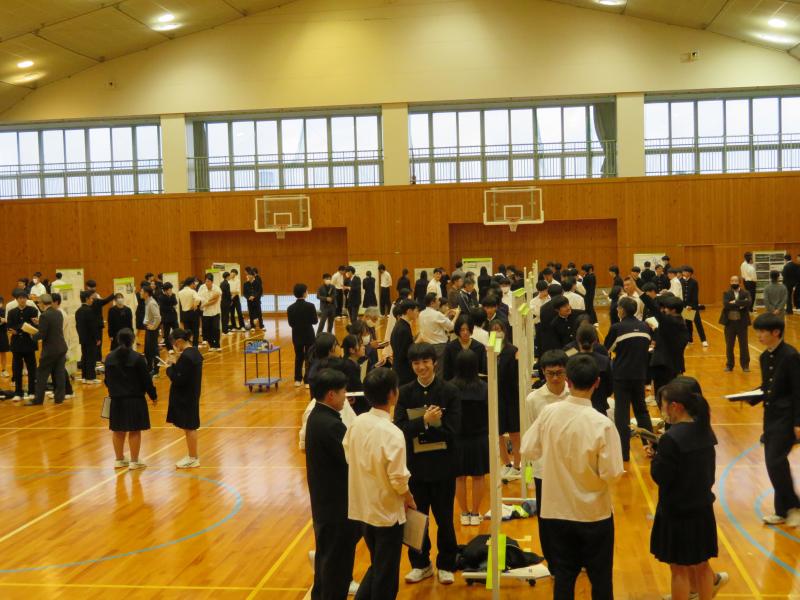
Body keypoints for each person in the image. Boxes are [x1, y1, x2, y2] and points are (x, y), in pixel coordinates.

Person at [521, 354, 624, 600]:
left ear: (567, 380)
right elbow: (612, 473)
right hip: (593, 514)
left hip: (556, 512)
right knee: (601, 579)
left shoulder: (549, 413)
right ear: (597, 382)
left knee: (564, 578)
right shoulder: (602, 423)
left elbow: (527, 449)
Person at [651, 379, 727, 600]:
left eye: (663, 405)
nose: (662, 410)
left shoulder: (671, 438)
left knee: (679, 570)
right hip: (702, 509)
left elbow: (660, 476)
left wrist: (656, 456)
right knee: (702, 566)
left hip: (677, 512)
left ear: (675, 406)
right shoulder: (705, 431)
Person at [343, 367, 414, 600]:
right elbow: (398, 478)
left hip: (363, 508)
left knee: (378, 566)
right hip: (386, 512)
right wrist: (409, 497)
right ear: (393, 394)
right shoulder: (392, 432)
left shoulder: (358, 422)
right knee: (386, 575)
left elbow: (347, 452)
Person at [394, 343, 461, 585]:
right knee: (416, 519)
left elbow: (453, 431)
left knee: (444, 519)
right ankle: (420, 564)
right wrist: (425, 421)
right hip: (416, 468)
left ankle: (446, 564)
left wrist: (425, 428)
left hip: (443, 467)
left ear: (434, 362)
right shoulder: (405, 392)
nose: (421, 367)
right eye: (416, 363)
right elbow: (399, 430)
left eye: (425, 362)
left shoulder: (449, 391)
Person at [305, 368, 361, 600]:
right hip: (337, 508)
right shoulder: (330, 425)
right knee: (337, 568)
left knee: (326, 562)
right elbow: (352, 459)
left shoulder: (316, 416)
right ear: (330, 395)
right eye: (342, 392)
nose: (345, 396)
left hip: (324, 505)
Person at [752, 314, 800, 526]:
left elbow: (798, 391)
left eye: (762, 331)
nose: (759, 335)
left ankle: (794, 506)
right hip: (770, 418)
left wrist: (798, 422)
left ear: (776, 332)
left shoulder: (790, 355)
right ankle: (782, 511)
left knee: (775, 461)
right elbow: (767, 387)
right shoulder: (765, 357)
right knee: (775, 464)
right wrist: (747, 396)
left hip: (787, 419)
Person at [523, 349, 570, 566]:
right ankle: (552, 561)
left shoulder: (574, 396)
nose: (555, 378)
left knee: (570, 513)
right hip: (544, 468)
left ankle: (572, 558)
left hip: (571, 467)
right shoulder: (533, 399)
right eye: (551, 373)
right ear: (543, 372)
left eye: (560, 373)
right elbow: (532, 434)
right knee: (546, 516)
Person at [604, 296, 653, 462]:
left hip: (621, 375)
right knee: (642, 411)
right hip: (640, 374)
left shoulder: (617, 328)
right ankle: (651, 447)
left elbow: (607, 349)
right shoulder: (645, 327)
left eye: (618, 308)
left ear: (622, 310)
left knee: (622, 413)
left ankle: (623, 453)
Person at [105, 328, 157, 470]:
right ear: (133, 340)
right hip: (135, 400)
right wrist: (153, 395)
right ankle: (134, 461)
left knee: (117, 430)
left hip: (115, 399)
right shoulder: (138, 358)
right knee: (134, 430)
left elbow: (107, 381)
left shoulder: (109, 358)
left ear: (117, 340)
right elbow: (146, 380)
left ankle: (119, 459)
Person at [451, 349, 488, 527]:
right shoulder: (484, 387)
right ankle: (475, 512)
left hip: (457, 438)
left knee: (459, 478)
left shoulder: (450, 387)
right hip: (479, 438)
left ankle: (464, 513)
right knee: (478, 477)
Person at [166, 328, 204, 469]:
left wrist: (169, 367)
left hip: (186, 396)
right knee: (189, 426)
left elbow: (178, 379)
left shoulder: (187, 357)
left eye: (175, 344)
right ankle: (192, 456)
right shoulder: (194, 352)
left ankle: (193, 457)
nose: (175, 347)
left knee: (190, 427)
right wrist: (177, 362)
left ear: (180, 341)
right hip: (192, 394)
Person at [489, 319, 521, 480]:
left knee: (515, 432)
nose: (497, 332)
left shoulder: (513, 350)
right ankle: (506, 463)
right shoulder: (489, 351)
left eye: (499, 329)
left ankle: (517, 465)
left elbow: (515, 375)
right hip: (496, 397)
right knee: (498, 433)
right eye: (493, 329)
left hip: (511, 396)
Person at [641, 293, 689, 392]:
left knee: (663, 392)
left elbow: (653, 308)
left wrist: (638, 291)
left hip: (664, 365)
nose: (664, 310)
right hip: (674, 364)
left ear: (673, 310)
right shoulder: (680, 322)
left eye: (666, 308)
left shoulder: (669, 322)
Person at [29, 294, 67, 406]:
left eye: (39, 303)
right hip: (61, 347)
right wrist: (40, 323)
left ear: (42, 303)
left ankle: (38, 400)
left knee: (41, 375)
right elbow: (52, 328)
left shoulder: (44, 315)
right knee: (59, 374)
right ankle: (59, 398)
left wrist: (32, 335)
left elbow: (42, 334)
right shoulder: (58, 313)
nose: (38, 305)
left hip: (50, 350)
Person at [574, 325, 614, 415]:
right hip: (599, 406)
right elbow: (610, 387)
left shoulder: (571, 361)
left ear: (577, 340)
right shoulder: (604, 361)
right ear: (595, 340)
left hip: (577, 408)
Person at [287, 283, 319, 387]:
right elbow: (315, 321)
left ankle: (297, 379)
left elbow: (291, 324)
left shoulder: (290, 308)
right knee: (309, 357)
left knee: (298, 357)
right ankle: (307, 381)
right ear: (304, 293)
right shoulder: (310, 306)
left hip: (296, 335)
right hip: (309, 334)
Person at [719, 276, 751, 373]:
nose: (734, 282)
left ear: (739, 282)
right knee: (729, 345)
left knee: (744, 345)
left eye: (736, 281)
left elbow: (748, 302)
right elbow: (726, 304)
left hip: (742, 323)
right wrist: (740, 305)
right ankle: (729, 365)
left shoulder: (746, 293)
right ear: (730, 282)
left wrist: (735, 302)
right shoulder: (726, 293)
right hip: (730, 323)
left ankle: (745, 365)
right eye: (732, 281)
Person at [416, 293, 457, 368]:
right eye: (438, 300)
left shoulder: (421, 313)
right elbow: (451, 327)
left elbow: (434, 324)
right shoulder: (437, 314)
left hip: (427, 346)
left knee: (431, 369)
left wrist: (445, 316)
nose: (439, 302)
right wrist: (457, 314)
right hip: (439, 346)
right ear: (432, 303)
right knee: (440, 369)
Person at [442, 314, 487, 381]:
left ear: (471, 330)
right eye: (462, 330)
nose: (465, 332)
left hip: (475, 383)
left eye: (468, 329)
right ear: (458, 330)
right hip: (455, 385)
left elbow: (483, 371)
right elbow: (447, 372)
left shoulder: (479, 347)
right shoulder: (450, 347)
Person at [390, 299, 418, 386]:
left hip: (400, 368)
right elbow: (405, 353)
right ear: (409, 311)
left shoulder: (401, 325)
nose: (417, 313)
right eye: (416, 310)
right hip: (404, 372)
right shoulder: (403, 329)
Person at [75, 290, 101, 385]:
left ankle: (84, 377)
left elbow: (77, 326)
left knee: (85, 357)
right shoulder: (89, 311)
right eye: (91, 298)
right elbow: (93, 327)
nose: (92, 300)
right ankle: (90, 378)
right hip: (91, 338)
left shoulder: (78, 311)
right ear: (87, 299)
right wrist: (97, 338)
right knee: (91, 358)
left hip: (83, 338)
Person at [681, 267, 707, 347]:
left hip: (693, 305)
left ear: (690, 273)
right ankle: (690, 340)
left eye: (686, 271)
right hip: (685, 306)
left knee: (698, 323)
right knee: (688, 323)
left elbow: (695, 295)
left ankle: (703, 340)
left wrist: (691, 306)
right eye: (683, 271)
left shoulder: (694, 282)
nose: (684, 273)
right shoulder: (681, 281)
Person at [142, 286, 162, 377]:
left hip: (152, 330)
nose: (140, 293)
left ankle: (156, 370)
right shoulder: (147, 302)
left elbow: (158, 317)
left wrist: (153, 327)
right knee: (147, 350)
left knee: (154, 350)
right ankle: (149, 368)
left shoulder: (151, 303)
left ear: (146, 293)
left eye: (142, 291)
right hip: (149, 328)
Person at [198, 274, 221, 352]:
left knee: (216, 328)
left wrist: (205, 304)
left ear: (212, 282)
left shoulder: (217, 288)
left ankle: (217, 345)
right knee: (207, 329)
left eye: (209, 281)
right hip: (206, 313)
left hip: (215, 312)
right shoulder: (202, 287)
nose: (207, 283)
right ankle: (211, 345)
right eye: (206, 281)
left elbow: (215, 300)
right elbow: (199, 297)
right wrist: (203, 303)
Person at [178, 278, 201, 347]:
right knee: (195, 331)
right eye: (194, 283)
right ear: (191, 284)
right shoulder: (192, 291)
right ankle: (195, 346)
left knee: (187, 332)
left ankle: (187, 346)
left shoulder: (180, 292)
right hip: (193, 313)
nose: (195, 285)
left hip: (184, 314)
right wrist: (194, 305)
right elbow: (198, 299)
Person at [159, 283, 179, 352]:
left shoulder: (173, 295)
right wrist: (171, 307)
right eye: (169, 289)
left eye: (171, 289)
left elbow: (175, 303)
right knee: (166, 334)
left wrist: (171, 297)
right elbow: (162, 308)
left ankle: (178, 346)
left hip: (174, 317)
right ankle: (169, 348)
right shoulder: (161, 297)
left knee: (177, 332)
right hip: (166, 318)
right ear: (165, 290)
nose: (171, 290)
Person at [219, 271, 232, 336]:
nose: (230, 277)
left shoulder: (221, 283)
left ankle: (224, 330)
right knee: (226, 317)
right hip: (226, 302)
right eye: (229, 276)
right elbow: (228, 293)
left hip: (222, 302)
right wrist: (230, 301)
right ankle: (225, 331)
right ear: (227, 276)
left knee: (223, 316)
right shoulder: (227, 284)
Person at [0, 296, 8, 379]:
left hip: (2, 334)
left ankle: (4, 370)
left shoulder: (4, 311)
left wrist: (4, 320)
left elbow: (7, 320)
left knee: (3, 353)